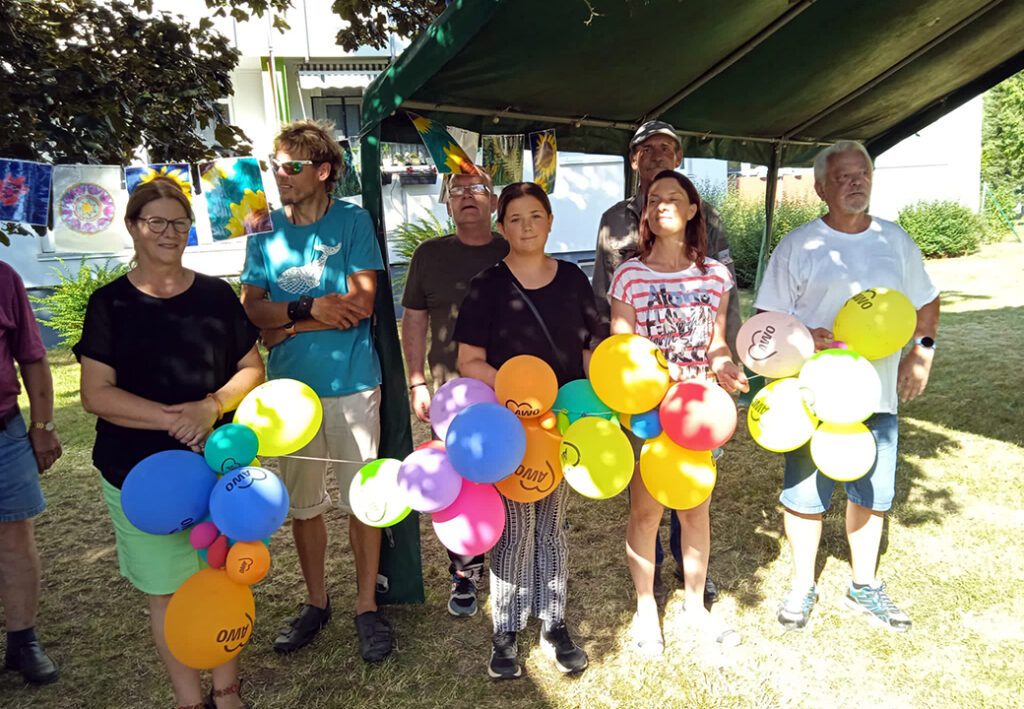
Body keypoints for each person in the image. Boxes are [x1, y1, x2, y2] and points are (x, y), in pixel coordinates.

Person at [75, 179, 264, 709]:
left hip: (214, 468)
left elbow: (252, 368)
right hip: (138, 475)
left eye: (179, 223)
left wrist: (210, 407)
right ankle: (188, 700)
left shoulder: (215, 295)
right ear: (134, 227)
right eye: (155, 221)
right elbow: (95, 394)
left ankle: (227, 693)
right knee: (167, 592)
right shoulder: (109, 303)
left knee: (221, 580)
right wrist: (169, 419)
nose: (168, 232)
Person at [755, 141, 939, 633]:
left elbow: (927, 302)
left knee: (873, 494)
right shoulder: (798, 246)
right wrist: (800, 337)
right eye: (844, 177)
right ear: (820, 188)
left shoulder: (896, 242)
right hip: (812, 398)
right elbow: (767, 321)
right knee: (804, 493)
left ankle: (865, 585)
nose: (857, 182)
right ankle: (801, 585)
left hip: (875, 397)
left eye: (863, 174)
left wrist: (921, 352)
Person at [240, 120, 392, 663]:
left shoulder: (352, 221)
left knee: (363, 501)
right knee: (304, 505)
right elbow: (251, 308)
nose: (279, 175)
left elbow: (362, 304)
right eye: (275, 165)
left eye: (291, 166)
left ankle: (367, 604)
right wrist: (309, 310)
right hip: (287, 395)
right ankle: (316, 601)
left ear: (323, 171)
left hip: (352, 385)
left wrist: (285, 326)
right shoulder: (263, 226)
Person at [453, 181, 599, 679]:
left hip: (560, 428)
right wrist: (519, 393)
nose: (527, 226)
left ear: (551, 221)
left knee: (552, 528)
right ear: (502, 227)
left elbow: (588, 352)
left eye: (536, 216)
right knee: (515, 531)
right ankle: (506, 630)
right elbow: (469, 360)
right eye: (515, 218)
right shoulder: (487, 286)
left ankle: (554, 623)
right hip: (510, 429)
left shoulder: (574, 280)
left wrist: (589, 404)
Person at [594, 120, 741, 603]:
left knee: (694, 504)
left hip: (700, 404)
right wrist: (650, 374)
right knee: (645, 510)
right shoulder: (628, 269)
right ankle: (645, 597)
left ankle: (693, 591)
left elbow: (718, 338)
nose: (663, 207)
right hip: (648, 406)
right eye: (656, 202)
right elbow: (623, 343)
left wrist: (724, 364)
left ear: (693, 207)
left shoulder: (715, 273)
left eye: (674, 199)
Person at [401, 171, 508, 617]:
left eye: (477, 189)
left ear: (494, 201)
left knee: (508, 475)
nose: (466, 197)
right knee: (460, 483)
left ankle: (511, 565)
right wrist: (416, 381)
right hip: (451, 394)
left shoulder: (511, 248)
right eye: (457, 191)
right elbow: (414, 320)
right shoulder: (429, 255)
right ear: (446, 204)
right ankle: (465, 572)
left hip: (508, 386)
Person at [0, 261, 62, 686]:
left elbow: (33, 357)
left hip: (4, 430)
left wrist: (42, 426)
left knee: (15, 539)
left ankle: (22, 642)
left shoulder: (4, 278)